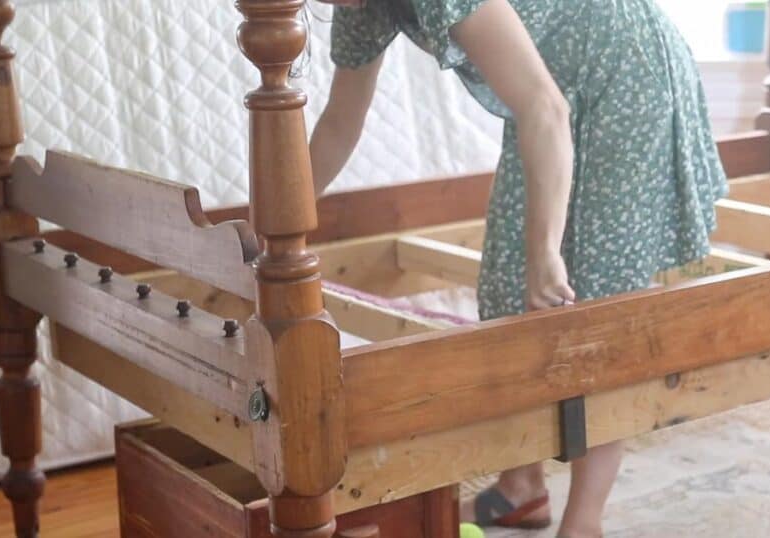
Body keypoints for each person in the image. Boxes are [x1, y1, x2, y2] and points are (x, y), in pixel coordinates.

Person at [309, 0, 728, 536]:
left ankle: (584, 522)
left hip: (624, 67)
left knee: (595, 303)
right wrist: (268, 221)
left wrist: (546, 252)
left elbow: (544, 108)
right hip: (546, 89)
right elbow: (341, 121)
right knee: (507, 289)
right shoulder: (358, 6)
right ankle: (521, 488)